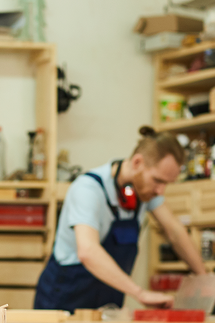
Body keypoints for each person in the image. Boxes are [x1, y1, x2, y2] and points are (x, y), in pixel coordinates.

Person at [34, 126, 206, 311]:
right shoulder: (88, 189)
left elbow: (175, 231)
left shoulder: (145, 192)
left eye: (166, 184)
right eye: (158, 180)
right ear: (137, 162)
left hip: (106, 302)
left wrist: (205, 279)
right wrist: (140, 293)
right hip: (63, 299)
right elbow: (88, 251)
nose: (160, 191)